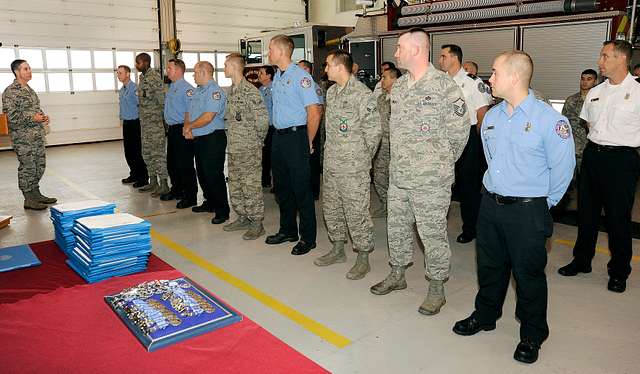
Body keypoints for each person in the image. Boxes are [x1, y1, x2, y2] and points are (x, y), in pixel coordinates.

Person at [452, 51, 575, 364]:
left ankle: (533, 333)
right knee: (489, 267)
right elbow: (490, 160)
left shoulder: (550, 120)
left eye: (494, 73)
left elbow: (563, 170)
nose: (488, 79)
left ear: (515, 77)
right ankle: (486, 315)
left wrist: (540, 205)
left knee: (528, 275)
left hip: (528, 210)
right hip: (490, 205)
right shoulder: (491, 117)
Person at [369, 28, 469, 316]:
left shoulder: (444, 86)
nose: (396, 52)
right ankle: (397, 273)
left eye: (399, 47)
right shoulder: (398, 87)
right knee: (396, 228)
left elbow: (459, 132)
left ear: (416, 49)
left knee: (432, 234)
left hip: (430, 179)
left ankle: (436, 286)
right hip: (400, 176)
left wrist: (439, 164)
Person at [558, 40, 640, 293]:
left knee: (617, 218)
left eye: (605, 56)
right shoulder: (595, 92)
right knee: (587, 214)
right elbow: (589, 127)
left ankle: (618, 272)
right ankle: (582, 261)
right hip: (593, 156)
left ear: (621, 59)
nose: (599, 61)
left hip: (622, 160)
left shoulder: (638, 92)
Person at [313, 49, 381, 280]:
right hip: (332, 165)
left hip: (353, 168)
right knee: (331, 209)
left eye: (327, 65)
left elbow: (374, 133)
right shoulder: (331, 93)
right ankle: (337, 248)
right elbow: (329, 132)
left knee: (356, 212)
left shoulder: (362, 95)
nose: (325, 69)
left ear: (340, 67)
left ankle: (363, 257)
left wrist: (360, 161)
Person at [264, 34, 322, 255]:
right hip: (278, 136)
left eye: (270, 49)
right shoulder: (278, 76)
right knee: (282, 187)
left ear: (281, 51)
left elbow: (314, 112)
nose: (268, 53)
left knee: (301, 189)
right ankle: (288, 230)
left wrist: (307, 141)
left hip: (297, 137)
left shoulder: (301, 76)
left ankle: (308, 238)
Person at [438, 44, 493, 244]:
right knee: (445, 183)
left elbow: (482, 113)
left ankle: (471, 228)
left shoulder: (472, 81)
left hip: (469, 136)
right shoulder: (441, 81)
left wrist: (478, 143)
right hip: (444, 137)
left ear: (454, 58)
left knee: (469, 186)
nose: (439, 60)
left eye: (443, 56)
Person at [222, 53, 269, 240]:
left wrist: (257, 142)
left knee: (251, 186)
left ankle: (257, 223)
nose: (224, 68)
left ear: (233, 67)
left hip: (249, 148)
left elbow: (263, 120)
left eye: (225, 65)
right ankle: (242, 216)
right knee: (235, 185)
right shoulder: (232, 90)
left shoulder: (250, 91)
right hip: (234, 147)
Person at [2, 59, 57, 210]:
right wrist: (33, 118)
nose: (29, 71)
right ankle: (28, 199)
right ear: (17, 72)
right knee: (28, 167)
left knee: (39, 165)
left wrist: (43, 117)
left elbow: (36, 109)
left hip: (37, 135)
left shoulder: (29, 90)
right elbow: (11, 118)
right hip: (23, 139)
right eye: (26, 69)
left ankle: (36, 193)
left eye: (30, 68)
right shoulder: (10, 92)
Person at [185, 61, 230, 224]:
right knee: (202, 174)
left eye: (195, 72)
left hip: (213, 137)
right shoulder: (197, 91)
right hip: (199, 137)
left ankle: (222, 210)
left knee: (214, 174)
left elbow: (208, 116)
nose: (193, 75)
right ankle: (209, 202)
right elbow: (189, 111)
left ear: (204, 72)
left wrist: (190, 126)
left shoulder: (214, 91)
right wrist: (187, 127)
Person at [162, 59, 197, 209]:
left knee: (185, 164)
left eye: (169, 68)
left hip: (183, 129)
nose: (167, 70)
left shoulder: (187, 89)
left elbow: (191, 110)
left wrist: (187, 128)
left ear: (178, 70)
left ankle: (190, 196)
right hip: (172, 130)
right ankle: (176, 190)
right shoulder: (172, 87)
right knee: (172, 163)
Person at [135, 53, 169, 198]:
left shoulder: (154, 76)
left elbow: (161, 98)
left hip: (154, 123)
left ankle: (164, 184)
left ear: (146, 62)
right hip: (145, 123)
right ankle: (153, 181)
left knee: (158, 154)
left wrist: (164, 120)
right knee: (147, 153)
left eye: (138, 62)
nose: (136, 65)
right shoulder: (142, 77)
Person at [371, 66, 401, 218]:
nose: (381, 80)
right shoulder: (381, 98)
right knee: (379, 177)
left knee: (397, 179)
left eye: (385, 77)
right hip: (381, 146)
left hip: (397, 146)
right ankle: (386, 204)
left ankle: (398, 210)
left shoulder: (403, 99)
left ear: (395, 79)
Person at [116, 65, 148, 189]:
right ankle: (134, 174)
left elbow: (142, 105)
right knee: (128, 151)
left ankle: (143, 178)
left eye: (120, 73)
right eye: (118, 73)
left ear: (128, 74)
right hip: (126, 123)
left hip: (135, 123)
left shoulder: (135, 88)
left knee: (137, 151)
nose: (118, 75)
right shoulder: (122, 89)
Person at [298, 59, 325, 201]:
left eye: (300, 68)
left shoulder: (314, 88)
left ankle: (314, 192)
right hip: (302, 128)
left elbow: (318, 111)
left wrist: (311, 134)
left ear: (307, 71)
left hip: (312, 128)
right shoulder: (301, 87)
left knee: (313, 162)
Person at [561, 69, 598, 171]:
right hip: (572, 149)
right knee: (570, 182)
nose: (584, 82)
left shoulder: (599, 101)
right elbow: (563, 125)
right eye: (582, 79)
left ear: (595, 82)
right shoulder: (571, 100)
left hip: (592, 149)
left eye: (589, 79)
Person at [258, 65, 275, 189]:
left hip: (273, 127)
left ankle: (276, 182)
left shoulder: (275, 88)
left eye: (261, 73)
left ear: (269, 76)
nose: (259, 75)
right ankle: (265, 180)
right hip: (263, 127)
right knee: (264, 155)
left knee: (274, 156)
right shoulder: (260, 90)